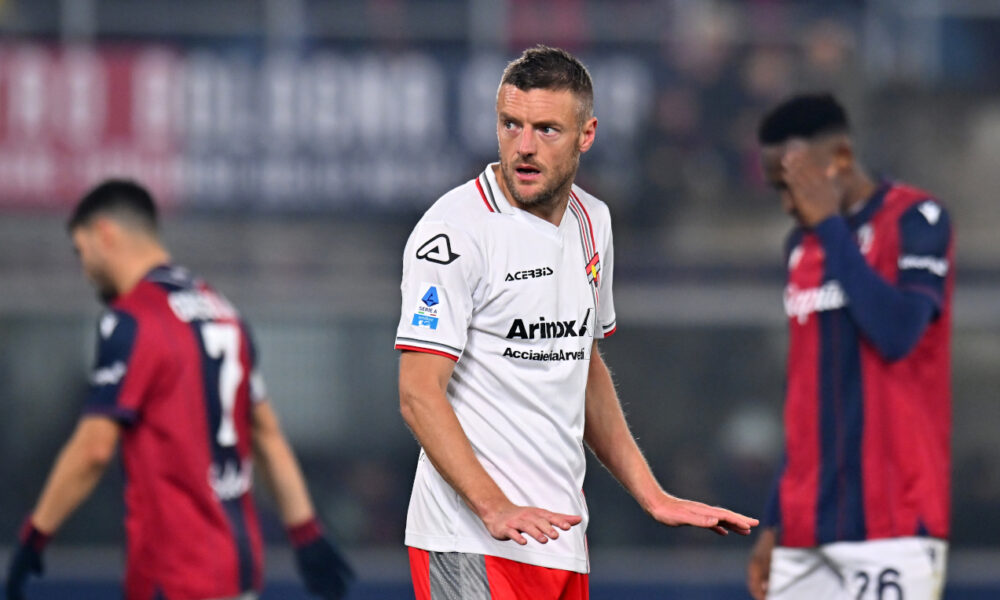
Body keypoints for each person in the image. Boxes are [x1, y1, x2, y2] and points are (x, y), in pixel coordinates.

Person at [394, 45, 758, 599]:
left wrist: (652, 495)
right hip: (470, 539)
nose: (524, 146)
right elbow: (419, 393)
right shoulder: (454, 232)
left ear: (586, 135)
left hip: (559, 538)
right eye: (510, 124)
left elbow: (582, 366)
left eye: (546, 129)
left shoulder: (594, 222)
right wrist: (492, 507)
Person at [5, 180, 354, 600]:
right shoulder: (223, 311)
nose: (84, 268)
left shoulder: (133, 319)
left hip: (175, 572)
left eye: (81, 251)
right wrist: (306, 531)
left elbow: (94, 449)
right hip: (238, 569)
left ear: (105, 233)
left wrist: (33, 537)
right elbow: (266, 433)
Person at [746, 94, 953, 600]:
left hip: (894, 525)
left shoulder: (917, 219)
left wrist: (833, 229)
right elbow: (804, 395)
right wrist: (774, 520)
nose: (788, 204)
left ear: (838, 158)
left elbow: (898, 332)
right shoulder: (801, 246)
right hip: (804, 528)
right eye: (778, 189)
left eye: (792, 185)